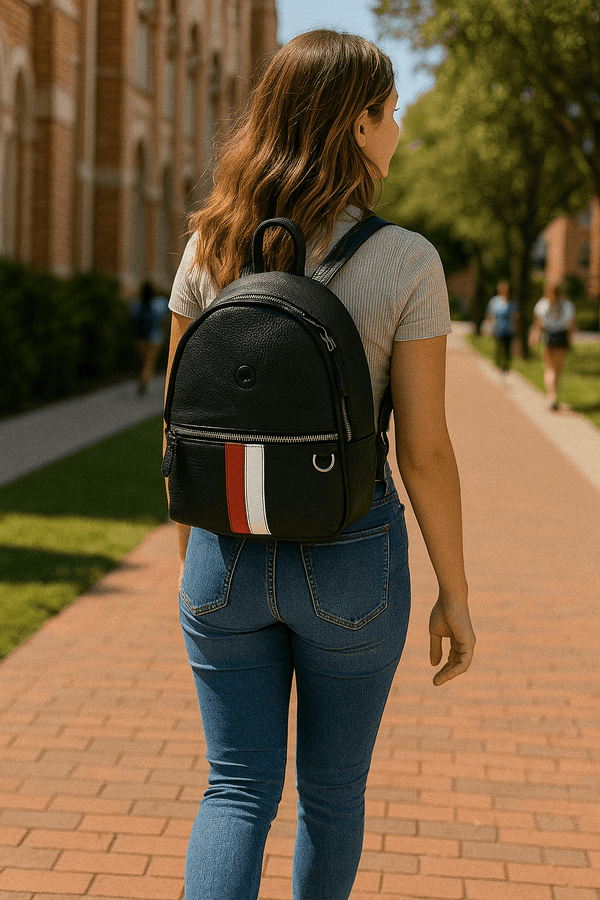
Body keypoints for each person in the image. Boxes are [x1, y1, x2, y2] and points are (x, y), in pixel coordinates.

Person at [164, 30, 475, 900]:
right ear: (359, 124)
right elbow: (425, 449)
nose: (399, 128)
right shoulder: (407, 261)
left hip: (225, 551)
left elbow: (179, 432)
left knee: (235, 789)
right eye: (392, 111)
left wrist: (192, 564)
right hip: (351, 556)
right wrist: (454, 592)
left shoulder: (209, 246)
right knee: (332, 796)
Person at [529, 283, 576, 410]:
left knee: (549, 368)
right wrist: (571, 339)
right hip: (562, 338)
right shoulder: (567, 305)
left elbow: (538, 324)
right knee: (558, 368)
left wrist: (534, 337)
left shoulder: (542, 304)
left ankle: (551, 395)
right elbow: (571, 325)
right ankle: (553, 394)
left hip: (549, 337)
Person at [130, 281, 169, 393]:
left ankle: (144, 379)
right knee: (149, 361)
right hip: (156, 337)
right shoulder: (159, 303)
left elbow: (132, 319)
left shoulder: (137, 304)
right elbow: (164, 318)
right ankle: (145, 378)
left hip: (140, 338)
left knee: (144, 361)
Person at [485, 280, 518, 373]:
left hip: (509, 329)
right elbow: (490, 315)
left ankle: (506, 367)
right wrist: (489, 327)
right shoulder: (494, 301)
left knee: (507, 349)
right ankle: (498, 365)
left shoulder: (512, 302)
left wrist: (517, 329)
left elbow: (516, 317)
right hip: (498, 328)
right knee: (498, 348)